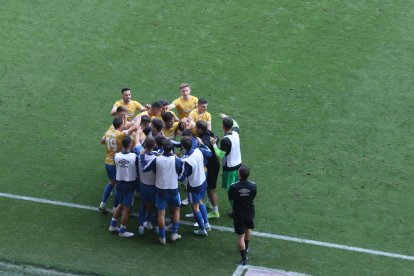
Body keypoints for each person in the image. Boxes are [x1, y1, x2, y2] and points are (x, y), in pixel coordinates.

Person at [142, 139, 183, 245]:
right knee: (176, 210)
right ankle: (174, 233)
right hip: (173, 189)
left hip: (160, 189)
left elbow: (145, 169)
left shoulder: (157, 159)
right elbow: (182, 175)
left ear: (162, 148)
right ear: (172, 149)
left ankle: (162, 237)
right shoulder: (177, 160)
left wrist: (142, 157)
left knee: (161, 213)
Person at [99, 117, 136, 212]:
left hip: (107, 161)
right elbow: (132, 129)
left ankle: (103, 203)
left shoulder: (108, 132)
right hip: (115, 163)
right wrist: (138, 119)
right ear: (120, 126)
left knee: (111, 183)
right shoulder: (120, 134)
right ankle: (115, 208)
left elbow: (102, 141)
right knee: (117, 185)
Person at [180, 136, 212, 236]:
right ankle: (206, 224)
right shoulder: (198, 151)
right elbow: (209, 152)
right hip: (202, 181)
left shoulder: (186, 160)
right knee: (200, 202)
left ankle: (202, 230)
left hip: (193, 185)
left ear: (183, 146)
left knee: (195, 207)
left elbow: (182, 176)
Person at [210, 113, 241, 215]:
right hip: (239, 166)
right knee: (237, 187)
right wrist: (227, 117)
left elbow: (220, 155)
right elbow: (236, 125)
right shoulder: (236, 133)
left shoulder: (225, 140)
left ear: (223, 127)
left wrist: (214, 144)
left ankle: (236, 210)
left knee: (230, 190)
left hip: (230, 169)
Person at [108, 136, 139, 238]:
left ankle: (112, 226)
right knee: (127, 209)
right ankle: (122, 230)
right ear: (130, 144)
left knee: (120, 205)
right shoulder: (134, 156)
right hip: (129, 184)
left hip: (119, 183)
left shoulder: (116, 156)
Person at [228, 165, 257, 265]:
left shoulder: (233, 186)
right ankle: (247, 247)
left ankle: (244, 259)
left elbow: (231, 198)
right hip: (249, 212)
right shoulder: (253, 186)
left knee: (240, 236)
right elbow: (253, 197)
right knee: (248, 228)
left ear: (239, 174)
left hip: (239, 214)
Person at [195, 120, 221, 219]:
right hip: (213, 165)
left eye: (197, 128)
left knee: (211, 189)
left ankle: (215, 211)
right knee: (210, 187)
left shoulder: (205, 139)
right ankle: (210, 204)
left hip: (212, 166)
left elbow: (207, 150)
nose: (195, 129)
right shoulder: (209, 133)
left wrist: (201, 144)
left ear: (200, 129)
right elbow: (216, 138)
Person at [137, 137, 157, 235]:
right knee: (153, 206)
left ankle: (141, 225)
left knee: (143, 204)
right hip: (153, 186)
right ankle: (150, 223)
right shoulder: (156, 159)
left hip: (143, 185)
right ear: (154, 146)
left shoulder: (140, 156)